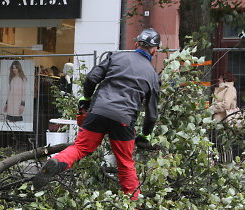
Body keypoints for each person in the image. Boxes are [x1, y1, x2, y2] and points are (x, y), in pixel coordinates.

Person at [33, 28, 161, 200]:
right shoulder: (152, 76)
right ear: (154, 50)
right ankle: (134, 206)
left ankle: (57, 162)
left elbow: (92, 78)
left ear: (136, 44)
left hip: (98, 111)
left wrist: (86, 98)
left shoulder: (115, 56)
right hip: (124, 120)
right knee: (125, 163)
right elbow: (152, 115)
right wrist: (145, 135)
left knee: (80, 148)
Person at [210, 72, 239, 162]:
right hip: (218, 119)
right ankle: (221, 164)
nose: (218, 79)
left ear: (225, 78)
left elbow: (226, 104)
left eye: (220, 78)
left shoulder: (229, 89)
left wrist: (212, 108)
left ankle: (227, 164)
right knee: (219, 144)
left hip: (225, 120)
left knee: (224, 144)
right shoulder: (221, 88)